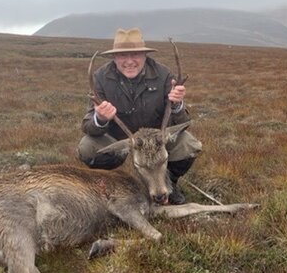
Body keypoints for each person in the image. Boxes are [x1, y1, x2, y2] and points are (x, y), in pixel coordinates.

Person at [77, 27, 202, 204]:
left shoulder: (163, 74)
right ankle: (109, 183)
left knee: (189, 144)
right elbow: (88, 126)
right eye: (122, 55)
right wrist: (101, 118)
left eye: (135, 54)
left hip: (156, 141)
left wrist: (177, 105)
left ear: (145, 55)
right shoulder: (100, 78)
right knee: (87, 148)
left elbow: (183, 123)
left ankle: (169, 184)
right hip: (121, 140)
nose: (129, 61)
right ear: (114, 57)